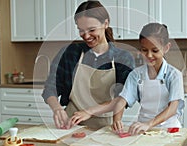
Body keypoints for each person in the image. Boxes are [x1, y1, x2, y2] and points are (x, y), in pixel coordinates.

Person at [69, 23, 185, 135]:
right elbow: (122, 99)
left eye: (155, 51)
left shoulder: (174, 75)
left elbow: (173, 108)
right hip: (142, 129)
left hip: (169, 130)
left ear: (166, 48)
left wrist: (149, 124)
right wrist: (117, 119)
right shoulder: (136, 74)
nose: (149, 55)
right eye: (144, 50)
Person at [42, 1, 135, 130]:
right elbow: (50, 87)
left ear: (105, 24)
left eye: (92, 30)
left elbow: (125, 96)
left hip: (105, 127)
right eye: (81, 30)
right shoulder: (70, 53)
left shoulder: (123, 58)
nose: (86, 36)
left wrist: (89, 112)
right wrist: (57, 108)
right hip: (70, 125)